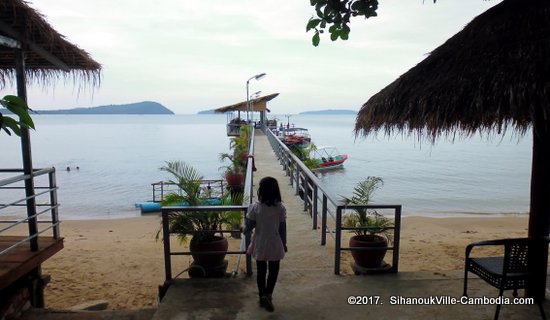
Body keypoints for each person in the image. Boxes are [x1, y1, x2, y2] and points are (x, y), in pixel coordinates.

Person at [244, 176, 287, 312]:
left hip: (260, 242)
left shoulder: (255, 207)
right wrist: (284, 243)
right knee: (274, 270)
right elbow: (282, 228)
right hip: (274, 241)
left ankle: (262, 295)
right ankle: (268, 294)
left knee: (261, 271)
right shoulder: (280, 208)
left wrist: (242, 230)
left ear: (261, 190)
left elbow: (249, 227)